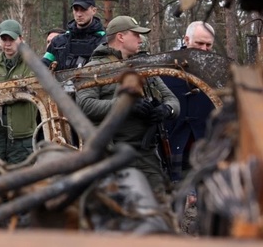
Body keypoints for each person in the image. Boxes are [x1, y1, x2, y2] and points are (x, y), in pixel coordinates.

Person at [76, 15, 179, 195]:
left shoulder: (142, 65)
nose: (141, 39)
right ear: (121, 37)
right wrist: (125, 105)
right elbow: (85, 105)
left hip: (146, 154)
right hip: (110, 155)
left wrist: (165, 110)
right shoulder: (93, 69)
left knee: (159, 207)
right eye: (136, 35)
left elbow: (172, 100)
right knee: (114, 213)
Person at [0, 19, 36, 175]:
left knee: (21, 180)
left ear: (21, 40)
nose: (8, 43)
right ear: (0, 41)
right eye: (4, 39)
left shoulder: (31, 64)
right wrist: (15, 92)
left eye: (12, 39)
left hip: (21, 133)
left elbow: (31, 91)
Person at [162, 21, 215, 184]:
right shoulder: (165, 66)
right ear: (186, 40)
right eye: (199, 43)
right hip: (173, 142)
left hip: (206, 146)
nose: (204, 49)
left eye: (208, 45)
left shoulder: (217, 70)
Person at [42, 0, 106, 70]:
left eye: (83, 9)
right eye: (76, 9)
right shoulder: (58, 42)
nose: (79, 14)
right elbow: (42, 67)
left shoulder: (104, 41)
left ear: (94, 10)